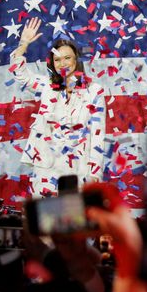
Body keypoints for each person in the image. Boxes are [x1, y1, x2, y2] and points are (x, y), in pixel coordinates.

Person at [10, 18, 106, 196]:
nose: (63, 63)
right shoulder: (46, 86)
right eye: (57, 60)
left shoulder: (94, 91)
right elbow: (20, 73)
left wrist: (94, 174)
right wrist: (23, 44)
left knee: (75, 221)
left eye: (67, 58)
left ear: (76, 59)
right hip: (46, 169)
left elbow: (97, 135)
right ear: (52, 64)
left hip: (79, 170)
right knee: (46, 221)